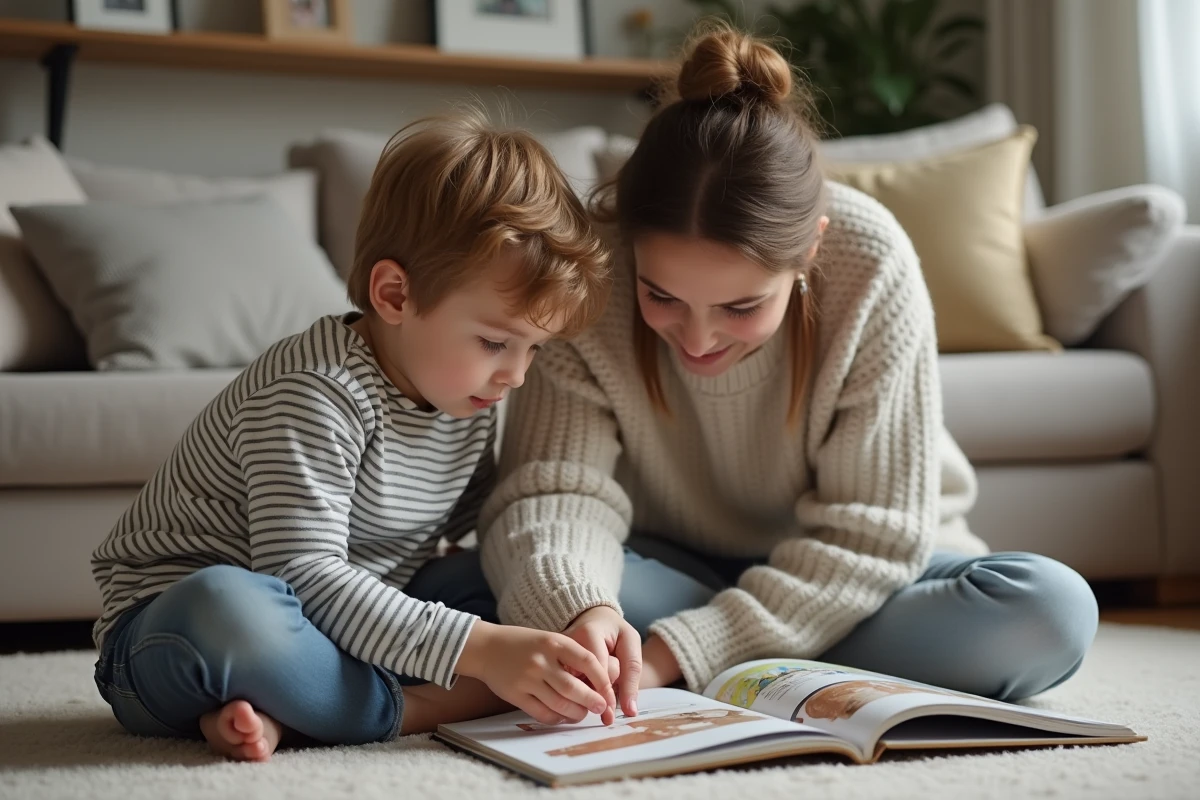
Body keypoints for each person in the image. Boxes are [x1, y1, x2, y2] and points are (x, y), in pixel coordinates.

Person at [476, 24, 1099, 719]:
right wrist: (581, 612)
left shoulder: (871, 261)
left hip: (862, 580)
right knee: (468, 584)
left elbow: (872, 535)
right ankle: (773, 668)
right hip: (666, 571)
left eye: (741, 305)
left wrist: (666, 656)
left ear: (811, 250)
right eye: (662, 297)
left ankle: (725, 662)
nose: (699, 338)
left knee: (1048, 611)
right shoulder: (592, 269)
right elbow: (554, 491)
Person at [90, 110, 616, 762]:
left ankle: (297, 707)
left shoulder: (468, 393)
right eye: (494, 341)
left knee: (500, 585)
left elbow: (479, 535)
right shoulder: (314, 390)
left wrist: (554, 617)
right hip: (171, 639)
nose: (515, 373)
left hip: (339, 626)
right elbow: (305, 578)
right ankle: (397, 711)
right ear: (394, 295)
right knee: (228, 605)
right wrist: (480, 650)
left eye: (533, 348)